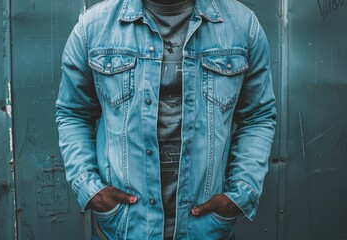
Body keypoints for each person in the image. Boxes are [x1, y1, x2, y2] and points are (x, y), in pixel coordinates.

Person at [56, 0, 276, 239]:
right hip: (125, 227)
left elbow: (258, 116)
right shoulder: (93, 27)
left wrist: (240, 192)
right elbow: (74, 113)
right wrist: (90, 187)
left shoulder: (243, 26)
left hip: (206, 229)